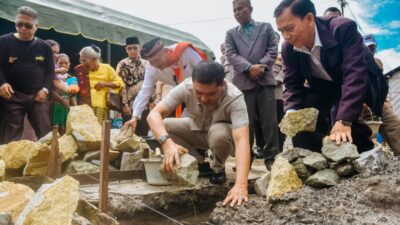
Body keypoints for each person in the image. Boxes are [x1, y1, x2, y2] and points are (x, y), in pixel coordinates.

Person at [274, 0, 377, 152]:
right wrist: (292, 112)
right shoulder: (288, 47)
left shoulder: (342, 29)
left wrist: (344, 120)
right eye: (281, 31)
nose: (286, 36)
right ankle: (311, 157)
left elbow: (354, 74)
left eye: (289, 28)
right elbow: (291, 84)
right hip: (323, 85)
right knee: (304, 110)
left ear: (309, 19)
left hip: (355, 80)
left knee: (344, 121)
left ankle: (364, 154)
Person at [147, 61, 250, 207]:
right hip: (197, 130)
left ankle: (218, 169)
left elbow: (241, 139)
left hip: (224, 139)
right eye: (199, 93)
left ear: (222, 85)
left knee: (218, 131)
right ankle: (198, 163)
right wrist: (167, 144)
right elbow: (154, 115)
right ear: (193, 84)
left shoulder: (235, 97)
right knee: (164, 126)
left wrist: (241, 184)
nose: (204, 98)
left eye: (211, 94)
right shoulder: (186, 86)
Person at [225, 0, 280, 169]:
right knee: (245, 123)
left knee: (269, 122)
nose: (237, 13)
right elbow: (231, 54)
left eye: (240, 9)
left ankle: (272, 158)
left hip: (265, 80)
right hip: (243, 82)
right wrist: (249, 68)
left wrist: (260, 67)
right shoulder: (231, 33)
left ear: (250, 9)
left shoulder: (266, 27)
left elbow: (273, 48)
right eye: (234, 10)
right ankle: (245, 159)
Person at [123, 38, 207, 132]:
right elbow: (144, 92)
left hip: (205, 91)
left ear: (166, 51)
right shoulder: (151, 69)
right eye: (152, 62)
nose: (156, 65)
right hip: (187, 96)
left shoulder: (185, 51)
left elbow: (205, 70)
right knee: (190, 128)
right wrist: (135, 117)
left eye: (157, 60)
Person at [0, 6, 53, 143]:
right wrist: (2, 83)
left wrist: (45, 89)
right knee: (10, 137)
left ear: (36, 26)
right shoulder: (3, 42)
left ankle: (48, 161)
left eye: (28, 26)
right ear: (15, 24)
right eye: (19, 24)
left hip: (37, 95)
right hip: (12, 95)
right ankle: (7, 163)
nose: (23, 28)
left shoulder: (44, 47)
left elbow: (50, 72)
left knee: (46, 133)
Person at [362, 34, 400, 156]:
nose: (370, 49)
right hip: (358, 103)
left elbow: (381, 84)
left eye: (372, 47)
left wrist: (385, 99)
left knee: (394, 124)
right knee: (363, 132)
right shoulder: (355, 62)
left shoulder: (378, 63)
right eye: (367, 47)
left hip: (376, 103)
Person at [74, 45, 124, 123]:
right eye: (81, 60)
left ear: (94, 59)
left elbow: (120, 83)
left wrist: (105, 84)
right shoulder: (80, 70)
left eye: (84, 60)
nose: (82, 63)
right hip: (83, 108)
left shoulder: (106, 68)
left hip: (100, 108)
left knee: (99, 132)